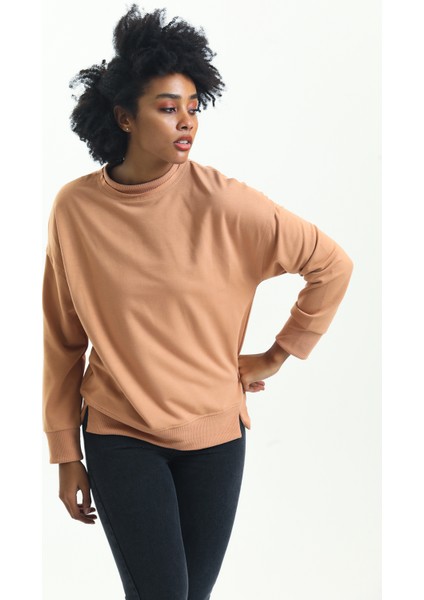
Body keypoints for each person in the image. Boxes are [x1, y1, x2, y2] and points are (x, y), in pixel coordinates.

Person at [42, 5, 353, 599]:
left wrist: (277, 355)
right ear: (124, 117)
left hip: (216, 441)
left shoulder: (228, 205)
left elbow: (332, 265)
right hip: (120, 433)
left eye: (193, 107)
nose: (187, 121)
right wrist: (65, 451)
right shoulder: (75, 210)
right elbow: (62, 337)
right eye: (167, 108)